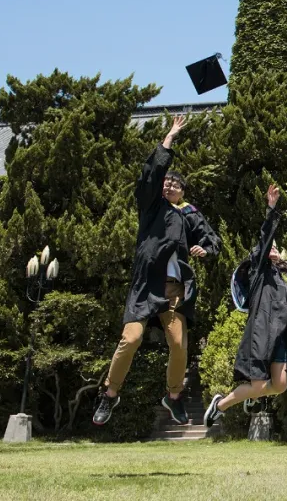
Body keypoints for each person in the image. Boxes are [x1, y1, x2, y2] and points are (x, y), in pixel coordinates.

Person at [93, 115, 220, 426]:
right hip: (146, 285)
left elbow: (211, 238)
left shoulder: (189, 214)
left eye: (176, 184)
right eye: (167, 182)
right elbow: (151, 173)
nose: (170, 185)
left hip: (175, 289)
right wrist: (169, 138)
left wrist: (206, 249)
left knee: (178, 344)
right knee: (131, 339)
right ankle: (110, 393)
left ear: (183, 191)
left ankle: (173, 396)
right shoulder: (152, 206)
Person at [204, 184, 287, 427]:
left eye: (275, 248)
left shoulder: (278, 276)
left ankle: (252, 395)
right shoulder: (258, 270)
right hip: (261, 332)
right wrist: (271, 209)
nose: (273, 249)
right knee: (259, 385)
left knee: (280, 385)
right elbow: (265, 238)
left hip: (279, 335)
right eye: (270, 247)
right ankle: (220, 405)